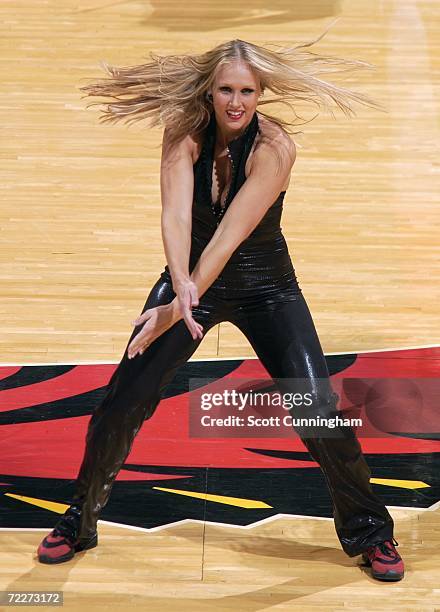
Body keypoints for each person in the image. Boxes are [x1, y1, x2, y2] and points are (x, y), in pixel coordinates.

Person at [37, 35, 404, 581]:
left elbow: (229, 236)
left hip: (267, 288)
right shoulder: (183, 131)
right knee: (122, 403)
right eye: (227, 90)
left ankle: (371, 532)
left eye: (247, 91)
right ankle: (78, 521)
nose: (236, 102)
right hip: (191, 279)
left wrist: (178, 304)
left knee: (318, 412)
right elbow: (175, 218)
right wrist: (181, 288)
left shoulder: (275, 148)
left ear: (262, 93)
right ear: (209, 91)